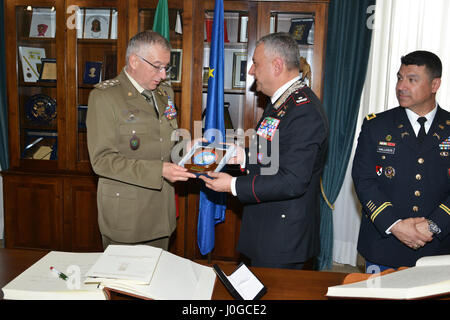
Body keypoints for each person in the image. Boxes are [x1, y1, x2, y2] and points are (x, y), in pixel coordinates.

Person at [200, 33, 329, 270]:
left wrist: (232, 186)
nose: (250, 71)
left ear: (277, 66)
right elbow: (272, 154)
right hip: (267, 229)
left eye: (256, 63)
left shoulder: (303, 111)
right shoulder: (282, 102)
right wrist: (240, 155)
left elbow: (292, 181)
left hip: (283, 239)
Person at [86, 30, 195, 250]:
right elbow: (102, 160)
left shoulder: (164, 93)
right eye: (157, 66)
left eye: (166, 67)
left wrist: (186, 148)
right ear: (134, 61)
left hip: (161, 212)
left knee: (158, 279)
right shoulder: (105, 97)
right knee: (124, 284)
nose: (163, 75)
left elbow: (164, 140)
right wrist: (159, 171)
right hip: (127, 217)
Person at [352, 51, 450, 272]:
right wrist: (395, 225)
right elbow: (363, 179)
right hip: (384, 244)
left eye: (412, 79)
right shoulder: (376, 126)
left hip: (439, 247)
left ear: (435, 85)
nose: (401, 86)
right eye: (399, 78)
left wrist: (433, 225)